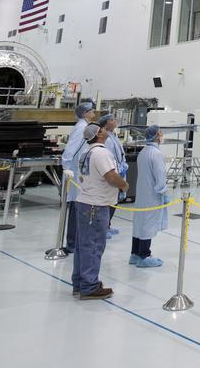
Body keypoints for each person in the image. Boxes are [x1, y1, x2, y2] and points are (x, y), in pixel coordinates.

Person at [72, 122, 127, 300]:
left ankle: (80, 282)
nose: (106, 130)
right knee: (94, 246)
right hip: (96, 205)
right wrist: (124, 185)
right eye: (103, 129)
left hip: (84, 202)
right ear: (99, 134)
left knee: (83, 246)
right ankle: (89, 286)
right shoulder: (101, 153)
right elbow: (111, 176)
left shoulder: (85, 152)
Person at [131, 126, 170, 268]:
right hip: (152, 195)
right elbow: (160, 178)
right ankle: (144, 255)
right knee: (148, 224)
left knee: (139, 224)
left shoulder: (143, 152)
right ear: (156, 136)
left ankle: (135, 254)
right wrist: (165, 193)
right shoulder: (156, 153)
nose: (162, 135)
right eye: (160, 133)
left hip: (142, 194)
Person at [60, 100, 95, 253]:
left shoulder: (83, 126)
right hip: (74, 173)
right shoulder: (82, 127)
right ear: (84, 113)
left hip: (80, 173)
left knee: (79, 206)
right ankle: (72, 243)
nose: (94, 113)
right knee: (76, 207)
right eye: (92, 110)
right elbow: (71, 149)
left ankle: (75, 242)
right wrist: (66, 167)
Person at [99, 113, 127, 238]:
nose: (114, 121)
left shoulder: (113, 136)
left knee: (115, 200)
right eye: (111, 120)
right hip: (112, 171)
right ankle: (103, 228)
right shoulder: (107, 139)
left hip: (120, 169)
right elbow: (108, 157)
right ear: (105, 123)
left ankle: (107, 225)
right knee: (109, 201)